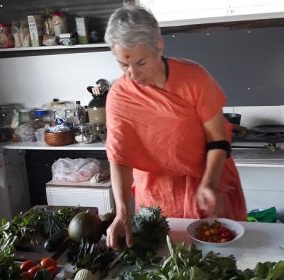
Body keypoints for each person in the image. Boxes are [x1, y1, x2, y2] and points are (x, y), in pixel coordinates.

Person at [104, 5, 246, 251]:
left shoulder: (194, 78)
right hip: (156, 195)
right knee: (163, 260)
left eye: (141, 63)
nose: (133, 75)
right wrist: (122, 212)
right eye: (123, 65)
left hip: (205, 186)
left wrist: (210, 183)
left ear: (158, 46)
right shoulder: (119, 96)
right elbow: (119, 157)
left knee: (217, 259)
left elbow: (218, 140)